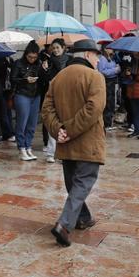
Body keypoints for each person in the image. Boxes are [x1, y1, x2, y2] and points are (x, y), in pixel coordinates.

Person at [41, 39, 106, 247]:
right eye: (97, 56)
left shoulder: (58, 78)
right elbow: (93, 109)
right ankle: (64, 224)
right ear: (87, 54)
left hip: (66, 144)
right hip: (87, 143)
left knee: (74, 185)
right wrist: (68, 130)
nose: (98, 60)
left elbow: (46, 110)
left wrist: (58, 130)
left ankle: (83, 217)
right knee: (82, 184)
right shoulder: (95, 77)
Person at [11, 41, 47, 161]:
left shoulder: (39, 64)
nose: (32, 59)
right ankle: (21, 147)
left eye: (35, 57)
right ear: (25, 54)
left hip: (36, 95)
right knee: (22, 122)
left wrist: (43, 70)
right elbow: (13, 79)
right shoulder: (18, 63)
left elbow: (43, 80)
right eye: (30, 57)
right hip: (22, 94)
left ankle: (28, 146)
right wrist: (25, 80)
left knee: (32, 123)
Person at [41, 38, 70, 159]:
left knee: (67, 122)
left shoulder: (69, 60)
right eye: (53, 48)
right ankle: (51, 152)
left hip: (68, 94)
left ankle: (64, 152)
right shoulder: (49, 61)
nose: (56, 50)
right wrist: (45, 69)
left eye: (58, 47)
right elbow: (45, 79)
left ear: (63, 48)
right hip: (53, 94)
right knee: (53, 122)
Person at [97, 46, 120, 131]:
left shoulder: (112, 58)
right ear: (105, 49)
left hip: (112, 82)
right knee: (107, 102)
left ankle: (109, 122)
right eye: (110, 48)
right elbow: (102, 71)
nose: (112, 49)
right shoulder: (103, 58)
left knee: (111, 103)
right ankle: (106, 123)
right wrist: (115, 70)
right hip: (107, 82)